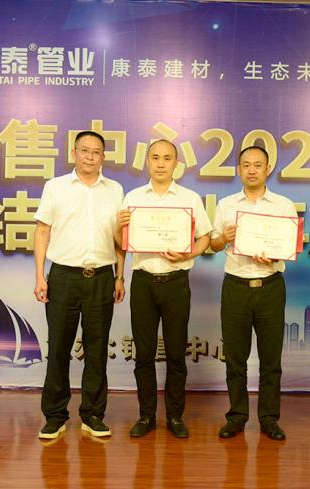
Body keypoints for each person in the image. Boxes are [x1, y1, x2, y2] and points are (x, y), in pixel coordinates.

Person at [117, 139, 211, 439]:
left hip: (176, 282)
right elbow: (121, 243)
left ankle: (174, 416)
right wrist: (119, 226)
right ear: (147, 161)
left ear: (176, 163)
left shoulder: (189, 198)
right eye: (155, 157)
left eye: (167, 158)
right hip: (143, 282)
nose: (160, 163)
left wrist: (188, 253)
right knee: (143, 354)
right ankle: (146, 416)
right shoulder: (132, 198)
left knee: (175, 354)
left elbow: (205, 238)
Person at [34, 130, 125, 439]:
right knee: (58, 348)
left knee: (97, 350)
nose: (90, 156)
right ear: (73, 153)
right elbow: (42, 232)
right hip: (63, 277)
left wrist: (120, 275)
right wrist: (39, 276)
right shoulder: (56, 187)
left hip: (101, 277)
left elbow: (120, 239)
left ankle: (93, 414)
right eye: (84, 150)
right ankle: (55, 416)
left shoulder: (115, 190)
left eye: (96, 152)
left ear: (103, 157)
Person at [210, 146, 297, 441]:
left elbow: (289, 246)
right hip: (235, 286)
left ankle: (269, 419)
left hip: (270, 286)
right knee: (235, 358)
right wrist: (224, 238)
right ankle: (236, 416)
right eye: (246, 164)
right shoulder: (226, 205)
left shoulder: (283, 205)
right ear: (239, 169)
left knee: (271, 359)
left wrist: (274, 255)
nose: (251, 170)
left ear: (268, 169)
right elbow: (213, 244)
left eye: (257, 165)